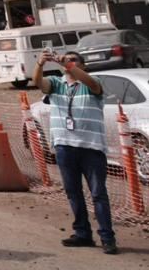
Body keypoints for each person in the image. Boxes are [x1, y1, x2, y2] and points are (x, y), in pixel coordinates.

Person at [34, 49, 118, 254]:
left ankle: (107, 237)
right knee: (73, 193)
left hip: (91, 147)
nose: (68, 63)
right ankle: (82, 233)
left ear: (82, 65)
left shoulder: (91, 82)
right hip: (64, 145)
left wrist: (67, 64)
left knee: (98, 194)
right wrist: (40, 64)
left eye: (74, 60)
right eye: (66, 59)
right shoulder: (56, 83)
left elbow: (92, 84)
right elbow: (39, 83)